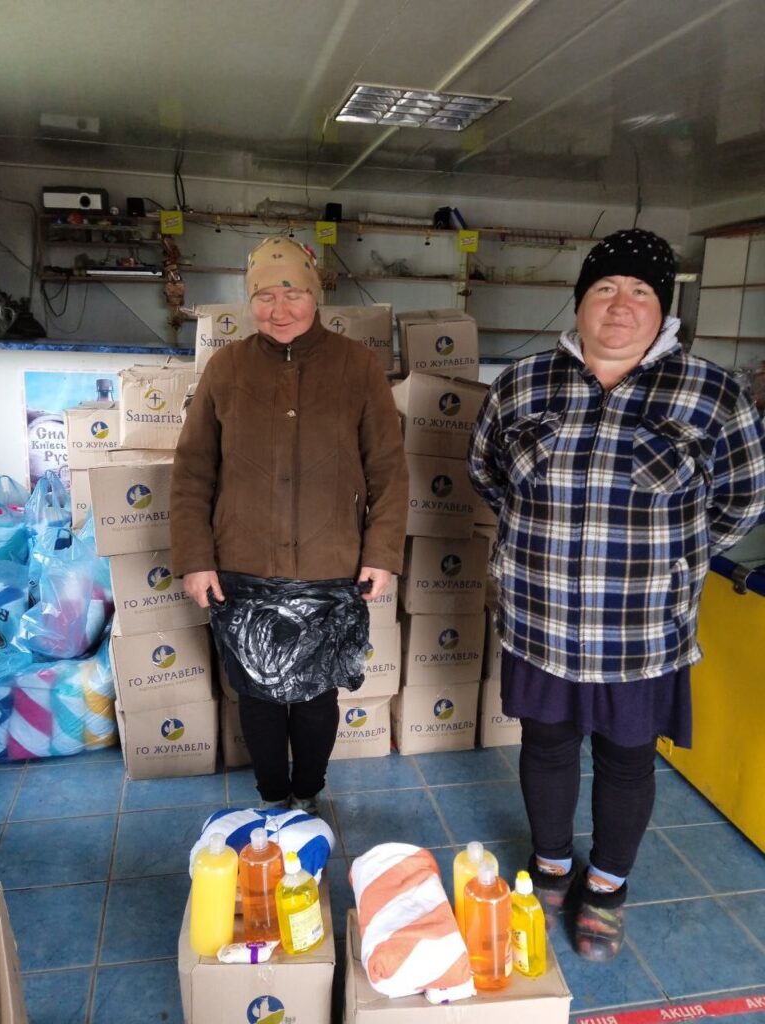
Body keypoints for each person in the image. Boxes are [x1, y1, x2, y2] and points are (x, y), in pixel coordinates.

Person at [468, 228, 765, 959]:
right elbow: (487, 473)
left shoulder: (710, 392)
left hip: (641, 629)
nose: (620, 304)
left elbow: (744, 498)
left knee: (630, 757)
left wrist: (674, 560)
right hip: (539, 620)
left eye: (639, 291)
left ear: (662, 310)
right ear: (580, 302)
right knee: (545, 745)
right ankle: (551, 867)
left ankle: (606, 888)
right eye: (605, 288)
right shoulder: (524, 382)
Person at [171, 236, 408, 814]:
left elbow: (389, 469)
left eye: (293, 292)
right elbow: (193, 470)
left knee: (314, 694)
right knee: (254, 692)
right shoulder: (227, 368)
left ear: (316, 292)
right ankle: (273, 799)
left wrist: (381, 552)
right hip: (242, 562)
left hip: (331, 562)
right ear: (249, 301)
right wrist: (195, 558)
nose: (279, 309)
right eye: (264, 296)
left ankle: (308, 795)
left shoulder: (358, 366)